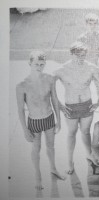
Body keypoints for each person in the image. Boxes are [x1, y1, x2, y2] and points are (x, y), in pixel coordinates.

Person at [54, 41, 99, 174]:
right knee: (71, 133)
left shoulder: (90, 67)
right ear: (71, 54)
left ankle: (89, 154)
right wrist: (59, 105)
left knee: (85, 132)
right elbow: (48, 86)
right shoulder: (62, 69)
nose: (81, 58)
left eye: (83, 55)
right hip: (70, 107)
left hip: (86, 105)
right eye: (78, 55)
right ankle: (70, 162)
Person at [16, 51, 65, 190]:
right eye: (36, 64)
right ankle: (38, 177)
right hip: (34, 122)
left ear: (45, 64)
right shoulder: (22, 85)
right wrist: (25, 130)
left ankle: (53, 169)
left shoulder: (50, 79)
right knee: (36, 149)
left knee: (51, 147)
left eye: (42, 64)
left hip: (49, 118)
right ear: (29, 63)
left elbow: (55, 100)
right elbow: (20, 110)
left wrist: (59, 121)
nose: (39, 67)